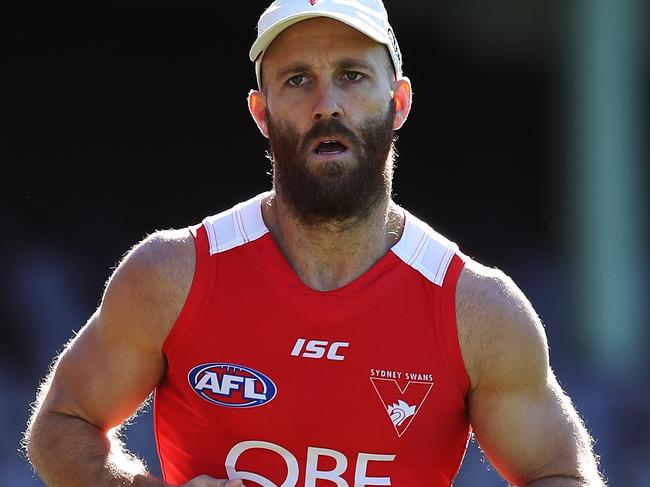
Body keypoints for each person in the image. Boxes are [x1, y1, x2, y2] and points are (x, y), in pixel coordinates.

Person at [24, 0, 607, 486]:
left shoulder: (477, 312)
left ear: (398, 102)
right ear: (262, 112)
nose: (326, 104)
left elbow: (560, 473)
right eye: (297, 79)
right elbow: (60, 426)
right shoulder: (172, 275)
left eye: (352, 76)